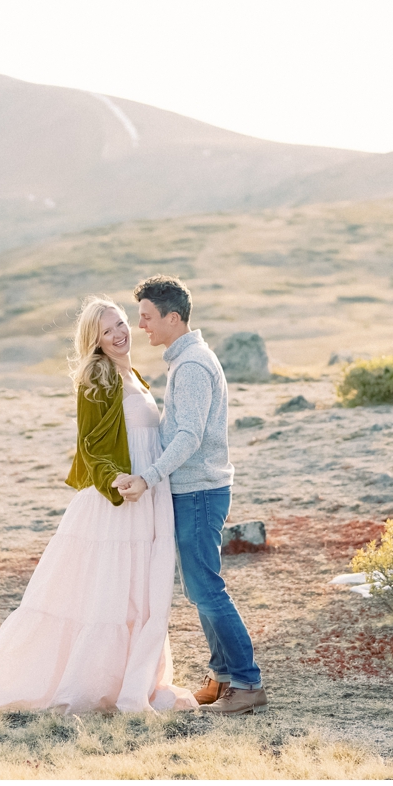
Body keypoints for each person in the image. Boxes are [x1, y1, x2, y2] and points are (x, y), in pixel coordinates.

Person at [0, 296, 196, 715]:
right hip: (120, 501)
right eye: (107, 329)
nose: (120, 333)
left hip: (146, 497)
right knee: (107, 594)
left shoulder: (133, 376)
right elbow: (92, 445)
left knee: (136, 595)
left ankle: (131, 680)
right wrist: (116, 479)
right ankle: (90, 683)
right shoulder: (99, 376)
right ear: (94, 339)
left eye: (123, 323)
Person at [114, 274, 267, 715]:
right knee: (199, 590)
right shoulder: (184, 361)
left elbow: (190, 436)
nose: (140, 325)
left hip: (199, 491)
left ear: (172, 317)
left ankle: (247, 682)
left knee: (207, 590)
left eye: (146, 317)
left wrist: (150, 477)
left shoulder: (194, 365)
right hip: (195, 491)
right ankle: (222, 677)